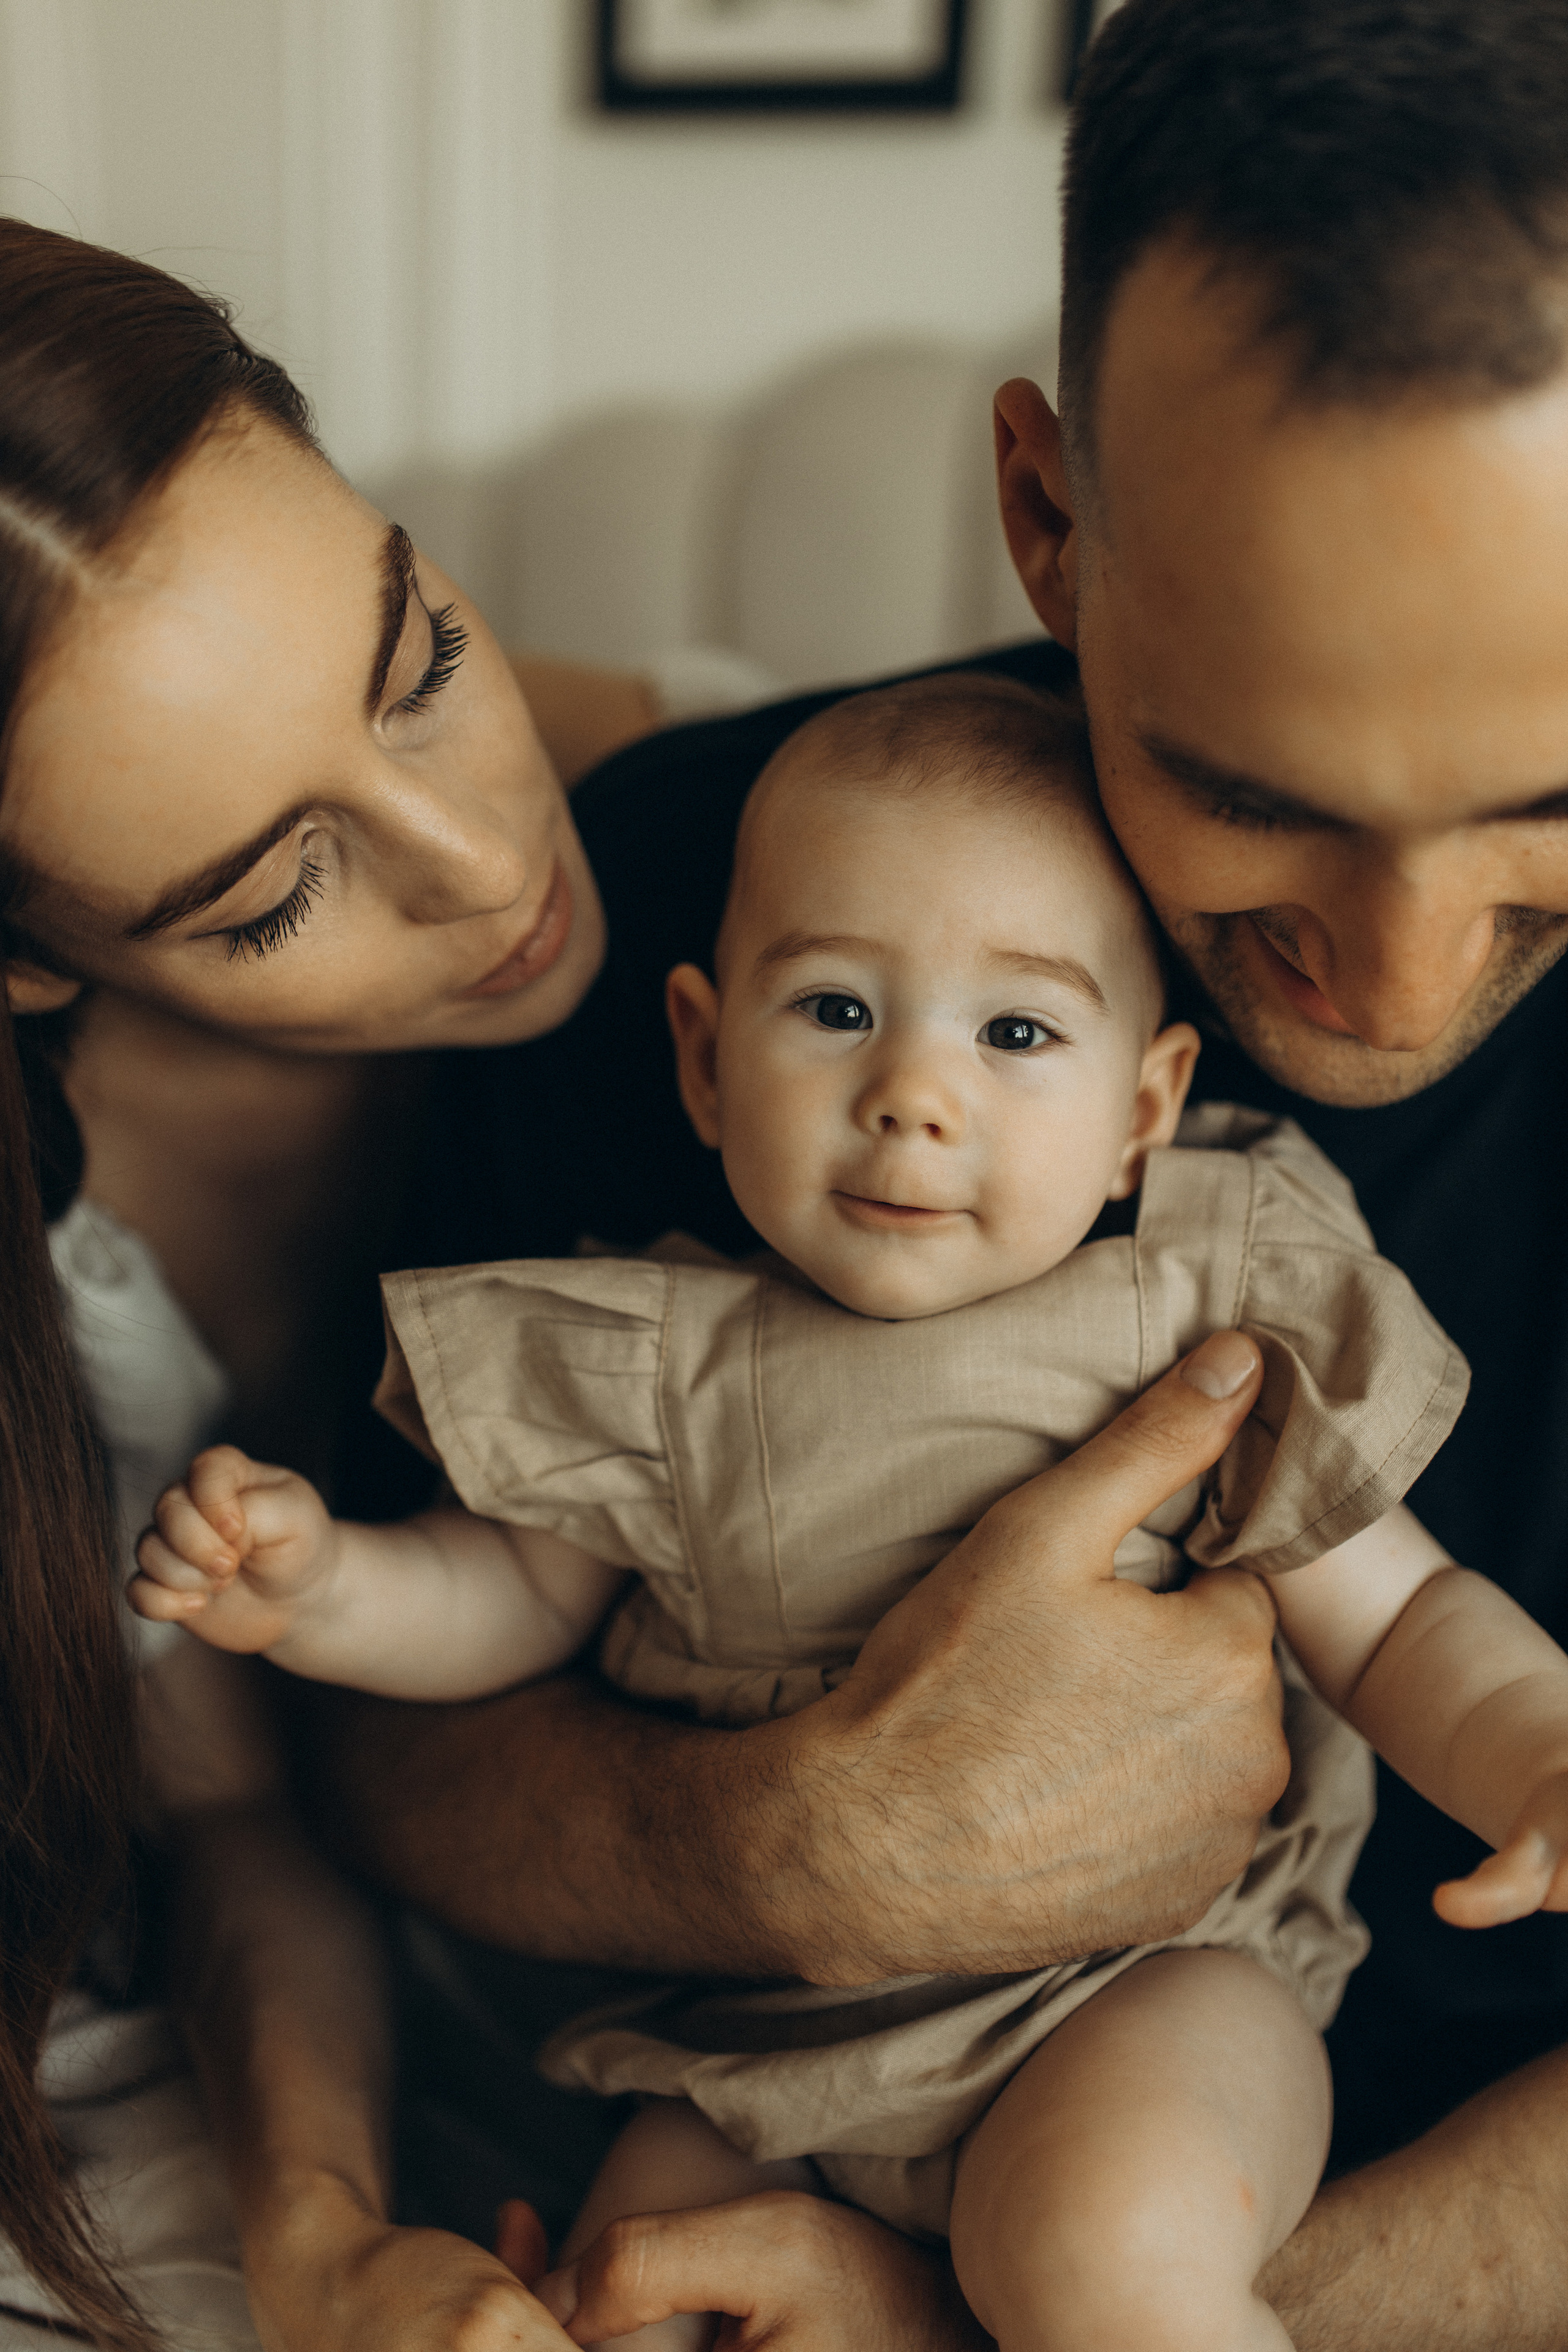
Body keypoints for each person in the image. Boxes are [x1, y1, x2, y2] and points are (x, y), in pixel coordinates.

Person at [136, 679, 1564, 2352]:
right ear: (703, 1057)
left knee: (1105, 2259)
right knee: (624, 2295)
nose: (911, 1094)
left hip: (1133, 1999)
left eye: (1015, 1034)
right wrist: (321, 1589)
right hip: (757, 2044)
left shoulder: (1198, 1317)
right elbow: (503, 1603)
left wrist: (1536, 1753)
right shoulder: (654, 1358)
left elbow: (1393, 1615)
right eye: (831, 1010)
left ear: (1146, 1110)